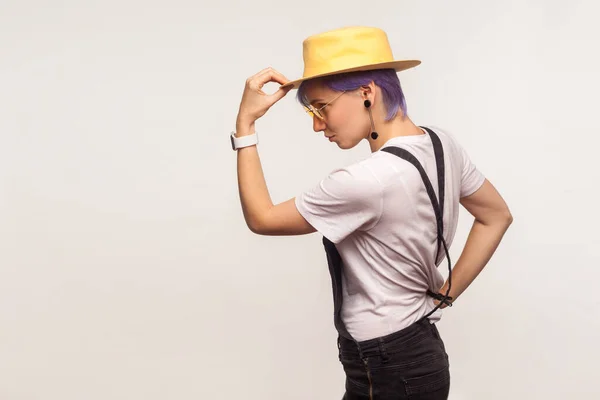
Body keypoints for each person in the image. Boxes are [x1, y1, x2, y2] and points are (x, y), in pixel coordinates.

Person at [231, 26, 513, 400]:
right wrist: (448, 293)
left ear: (367, 93)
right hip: (418, 352)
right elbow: (496, 215)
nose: (317, 125)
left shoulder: (365, 181)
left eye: (321, 108)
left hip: (386, 365)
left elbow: (261, 218)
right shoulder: (442, 143)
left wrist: (245, 126)